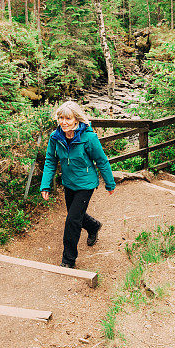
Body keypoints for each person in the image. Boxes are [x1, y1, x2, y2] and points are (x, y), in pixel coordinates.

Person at [40, 101, 115, 269]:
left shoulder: (88, 137)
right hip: (69, 183)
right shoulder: (56, 137)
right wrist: (45, 185)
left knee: (72, 220)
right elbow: (50, 161)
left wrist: (109, 183)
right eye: (61, 118)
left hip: (85, 184)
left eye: (68, 118)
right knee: (76, 216)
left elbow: (101, 161)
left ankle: (68, 260)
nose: (64, 122)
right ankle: (94, 226)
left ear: (76, 119)